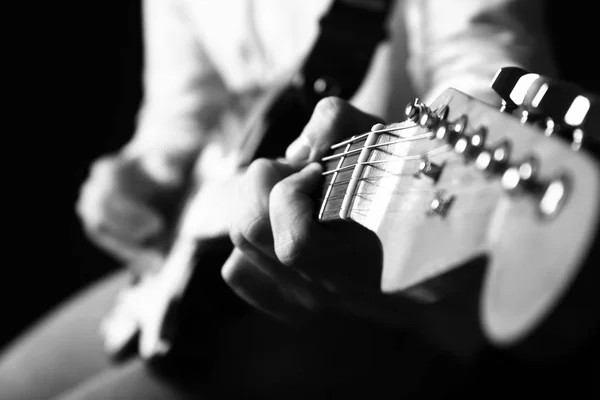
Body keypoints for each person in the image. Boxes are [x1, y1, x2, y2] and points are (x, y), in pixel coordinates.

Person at [0, 0, 556, 398]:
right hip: (189, 262)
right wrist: (135, 178)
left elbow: (486, 74)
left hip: (374, 283)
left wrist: (436, 154)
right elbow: (178, 119)